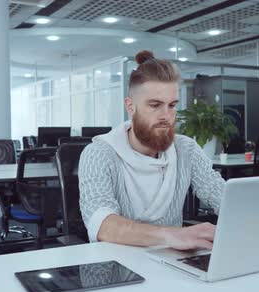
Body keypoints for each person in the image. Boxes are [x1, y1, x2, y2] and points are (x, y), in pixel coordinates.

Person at [79, 50, 225, 250]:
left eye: (172, 105)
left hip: (171, 260)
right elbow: (102, 225)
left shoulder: (186, 149)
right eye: (155, 105)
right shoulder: (99, 153)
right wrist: (173, 235)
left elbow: (221, 195)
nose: (166, 116)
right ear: (131, 107)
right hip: (116, 265)